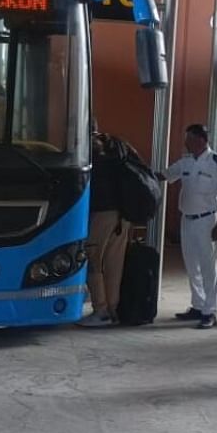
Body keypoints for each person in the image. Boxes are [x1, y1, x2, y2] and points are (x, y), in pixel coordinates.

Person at [157, 124, 217, 329]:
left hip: (207, 220)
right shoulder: (186, 161)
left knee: (209, 267)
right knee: (192, 265)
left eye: (189, 138)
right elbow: (165, 175)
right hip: (187, 219)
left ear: (201, 140)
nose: (185, 142)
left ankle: (210, 311)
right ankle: (198, 305)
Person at [79, 130, 128, 327]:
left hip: (102, 213)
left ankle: (100, 310)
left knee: (93, 260)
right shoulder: (116, 145)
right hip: (123, 214)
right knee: (114, 264)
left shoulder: (90, 150)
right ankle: (113, 309)